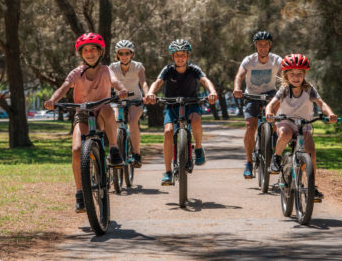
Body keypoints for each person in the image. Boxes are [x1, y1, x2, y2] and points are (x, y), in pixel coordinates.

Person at [44, 32, 129, 213]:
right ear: (81, 54)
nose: (89, 53)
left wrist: (122, 90)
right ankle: (80, 193)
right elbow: (64, 87)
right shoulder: (76, 73)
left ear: (100, 52)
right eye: (85, 50)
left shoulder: (106, 70)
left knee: (108, 108)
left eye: (93, 49)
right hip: (82, 114)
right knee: (76, 150)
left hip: (101, 112)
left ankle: (114, 149)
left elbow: (115, 82)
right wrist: (52, 100)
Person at [144, 39, 218, 185]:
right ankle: (167, 172)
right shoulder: (168, 70)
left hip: (192, 104)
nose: (180, 57)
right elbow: (157, 82)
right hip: (172, 106)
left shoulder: (194, 69)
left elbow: (205, 80)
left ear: (187, 56)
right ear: (172, 56)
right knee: (168, 132)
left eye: (183, 54)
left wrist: (213, 91)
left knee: (196, 119)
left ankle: (197, 148)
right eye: (177, 55)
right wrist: (151, 92)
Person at [265, 53, 338, 199]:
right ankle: (277, 157)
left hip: (304, 124)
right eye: (292, 74)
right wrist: (269, 113)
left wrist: (330, 114)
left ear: (305, 74)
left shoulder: (309, 89)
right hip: (286, 120)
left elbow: (321, 103)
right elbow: (272, 104)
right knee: (284, 134)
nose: (296, 77)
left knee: (311, 150)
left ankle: (312, 187)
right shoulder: (284, 89)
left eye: (300, 74)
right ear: (286, 75)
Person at [233, 31, 282, 179]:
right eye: (260, 45)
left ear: (269, 45)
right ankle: (248, 163)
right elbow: (239, 76)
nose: (263, 47)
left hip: (270, 94)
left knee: (274, 118)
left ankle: (272, 133)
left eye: (265, 44)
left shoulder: (276, 60)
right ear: (256, 46)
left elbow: (286, 73)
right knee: (250, 127)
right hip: (251, 96)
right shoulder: (249, 60)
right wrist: (237, 88)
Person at [109, 40, 149, 168]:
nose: (124, 55)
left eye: (127, 53)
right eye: (121, 53)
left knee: (133, 122)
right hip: (118, 100)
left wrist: (147, 94)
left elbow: (143, 83)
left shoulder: (138, 66)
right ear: (117, 55)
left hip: (135, 99)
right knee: (115, 122)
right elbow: (109, 83)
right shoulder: (112, 67)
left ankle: (137, 155)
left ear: (132, 54)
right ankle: (114, 151)